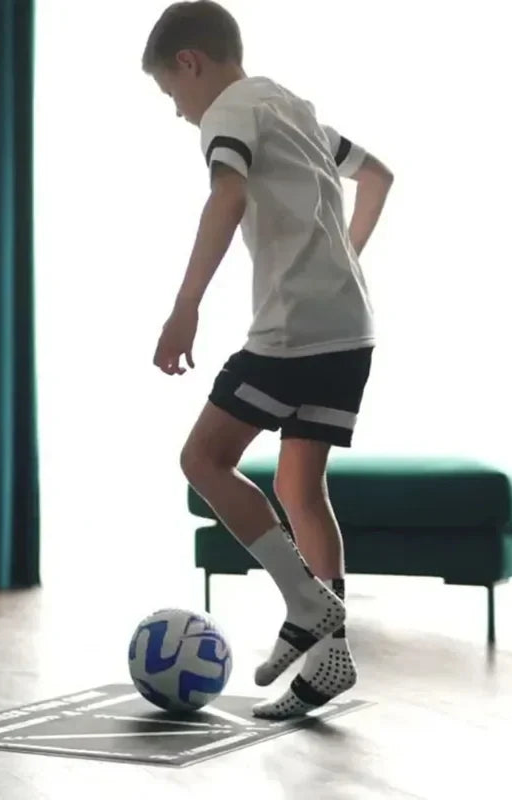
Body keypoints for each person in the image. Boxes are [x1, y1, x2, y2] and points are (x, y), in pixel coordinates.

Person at [142, 1, 394, 719]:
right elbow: (378, 177)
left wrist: (185, 306)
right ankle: (329, 659)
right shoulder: (293, 107)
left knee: (203, 460)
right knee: (300, 488)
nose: (178, 110)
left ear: (190, 62)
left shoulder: (227, 113)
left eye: (171, 91)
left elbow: (227, 196)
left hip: (292, 333)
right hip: (349, 328)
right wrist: (343, 260)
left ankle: (306, 604)